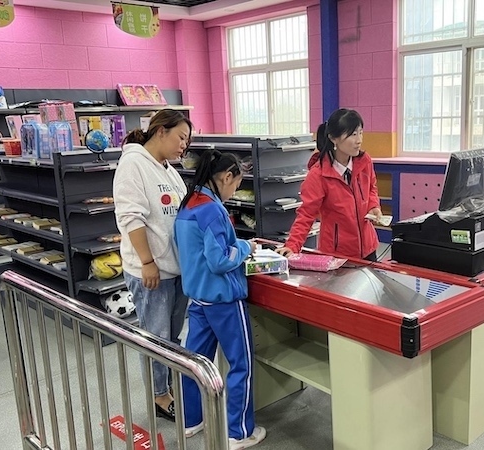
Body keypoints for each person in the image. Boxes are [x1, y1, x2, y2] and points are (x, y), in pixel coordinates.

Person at [174, 150, 266, 449]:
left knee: (195, 363)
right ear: (226, 177)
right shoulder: (213, 210)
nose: (234, 191)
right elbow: (220, 260)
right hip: (224, 300)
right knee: (241, 365)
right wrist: (246, 247)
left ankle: (191, 419)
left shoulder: (189, 203)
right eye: (236, 184)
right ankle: (239, 432)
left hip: (198, 298)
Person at [113, 109, 192, 422]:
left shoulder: (168, 169)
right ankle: (160, 396)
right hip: (152, 271)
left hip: (176, 270)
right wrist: (147, 261)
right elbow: (131, 217)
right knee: (156, 337)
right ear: (161, 131)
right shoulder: (133, 164)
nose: (184, 145)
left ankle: (168, 385)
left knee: (171, 337)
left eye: (187, 140)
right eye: (181, 137)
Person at [277, 108, 383, 261]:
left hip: (368, 248)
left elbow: (372, 188)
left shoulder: (364, 162)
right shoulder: (318, 175)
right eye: (353, 134)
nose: (359, 140)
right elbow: (306, 214)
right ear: (334, 138)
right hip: (337, 254)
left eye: (361, 133)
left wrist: (373, 206)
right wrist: (292, 245)